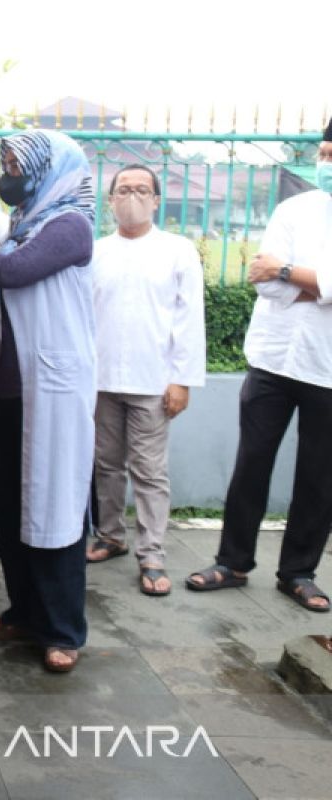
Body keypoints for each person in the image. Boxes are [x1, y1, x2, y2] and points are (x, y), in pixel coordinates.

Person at [0, 129, 96, 673]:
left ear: (48, 168)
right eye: (2, 162)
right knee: (11, 505)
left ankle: (62, 628)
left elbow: (10, 273)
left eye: (12, 163)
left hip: (50, 390)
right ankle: (24, 612)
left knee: (52, 504)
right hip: (9, 389)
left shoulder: (69, 226)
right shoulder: (23, 224)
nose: (5, 173)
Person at [186, 122, 332, 612]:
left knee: (320, 473)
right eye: (326, 151)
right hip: (272, 359)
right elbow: (263, 281)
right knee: (252, 462)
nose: (327, 161)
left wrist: (289, 273)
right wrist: (315, 285)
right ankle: (232, 562)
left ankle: (298, 572)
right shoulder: (295, 209)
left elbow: (279, 274)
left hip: (328, 369)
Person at [88, 165, 206, 597]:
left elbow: (190, 318)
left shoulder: (177, 250)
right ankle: (110, 535)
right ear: (111, 200)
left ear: (157, 200)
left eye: (141, 189)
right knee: (106, 465)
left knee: (150, 472)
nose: (132, 195)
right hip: (102, 380)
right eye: (123, 189)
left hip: (154, 381)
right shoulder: (96, 250)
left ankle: (152, 551)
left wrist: (183, 380)